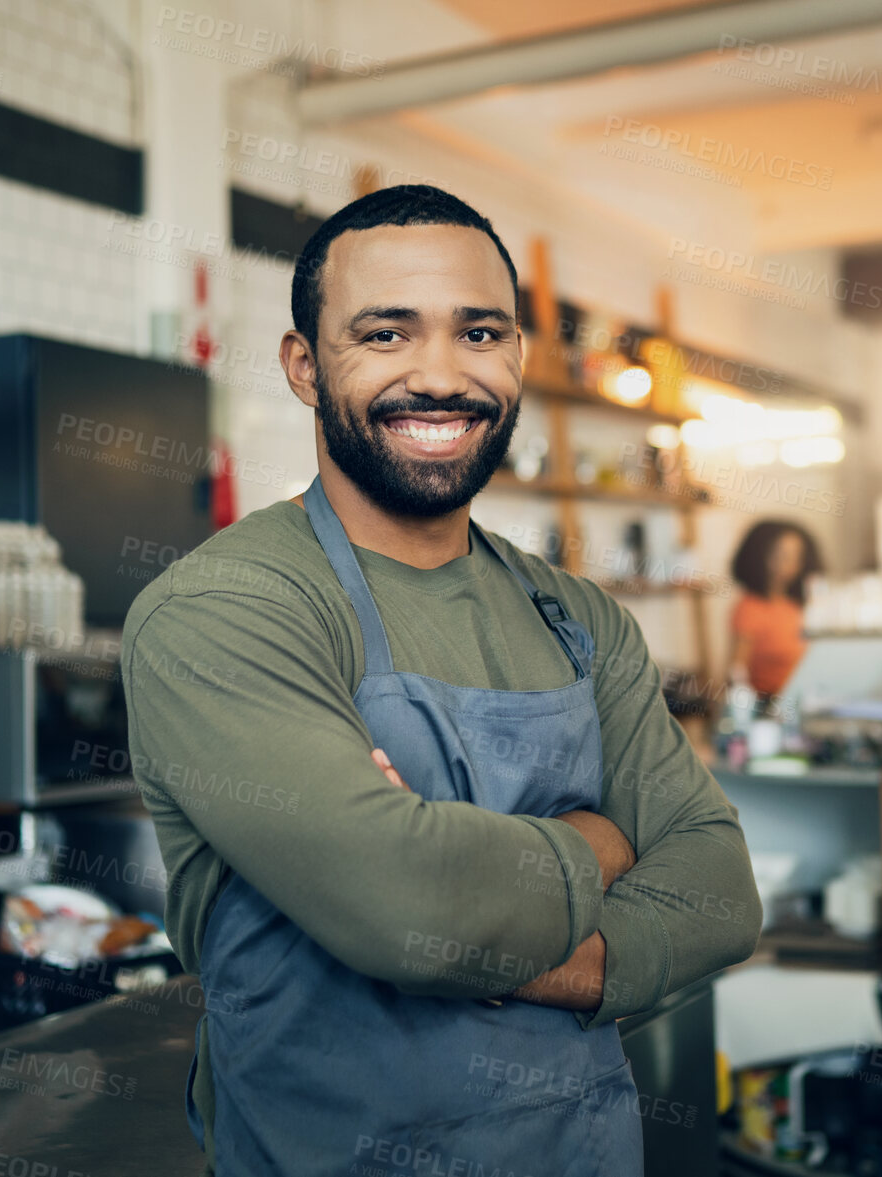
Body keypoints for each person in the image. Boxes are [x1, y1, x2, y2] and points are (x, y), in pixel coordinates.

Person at [120, 184, 762, 1177]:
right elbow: (414, 909)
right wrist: (605, 835)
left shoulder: (579, 617)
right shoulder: (226, 610)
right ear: (304, 366)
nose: (440, 375)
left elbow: (720, 889)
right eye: (384, 334)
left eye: (480, 333)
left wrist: (487, 931)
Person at [727, 520, 823, 698]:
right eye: (779, 555)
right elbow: (736, 671)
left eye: (795, 557)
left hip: (802, 696)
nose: (786, 565)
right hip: (767, 703)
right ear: (760, 556)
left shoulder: (797, 606)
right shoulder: (750, 607)